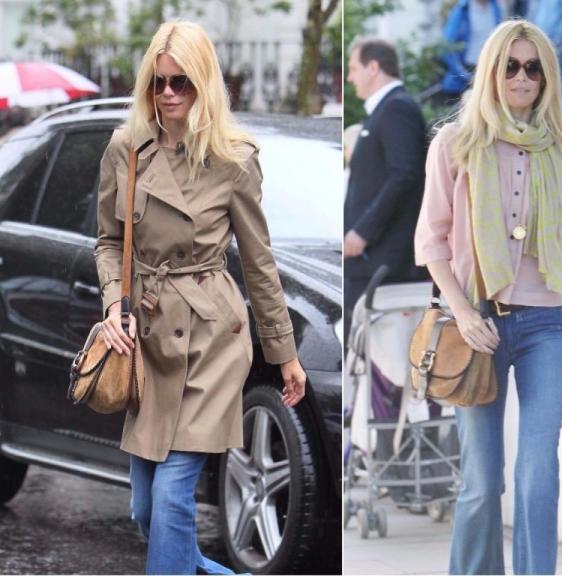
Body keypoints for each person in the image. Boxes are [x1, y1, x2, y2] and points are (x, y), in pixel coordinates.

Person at [94, 21, 306, 574]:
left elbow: (260, 263)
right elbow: (108, 241)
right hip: (149, 340)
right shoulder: (127, 147)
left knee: (170, 499)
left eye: (181, 83)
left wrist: (284, 354)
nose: (167, 95)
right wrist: (114, 308)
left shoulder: (234, 158)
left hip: (212, 341)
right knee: (147, 510)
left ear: (204, 83)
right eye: (158, 83)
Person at [414, 19, 562, 575]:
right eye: (511, 65)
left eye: (533, 67)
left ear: (546, 77)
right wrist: (462, 313)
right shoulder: (454, 144)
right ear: (491, 71)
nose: (522, 77)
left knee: (538, 477)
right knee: (483, 484)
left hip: (544, 327)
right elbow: (432, 240)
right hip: (477, 326)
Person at [344, 37, 427, 338]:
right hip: (371, 265)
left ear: (374, 67)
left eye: (353, 69)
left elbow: (404, 175)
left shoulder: (396, 109)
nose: (350, 77)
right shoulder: (385, 110)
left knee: (382, 367)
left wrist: (362, 231)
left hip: (385, 266)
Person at [526, 0, 562, 116]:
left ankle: (561, 128)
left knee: (559, 94)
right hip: (536, 48)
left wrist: (554, 41)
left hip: (559, 50)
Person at [441, 0, 504, 97]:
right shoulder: (462, 10)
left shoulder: (495, 7)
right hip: (468, 72)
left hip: (490, 71)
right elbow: (446, 47)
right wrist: (465, 75)